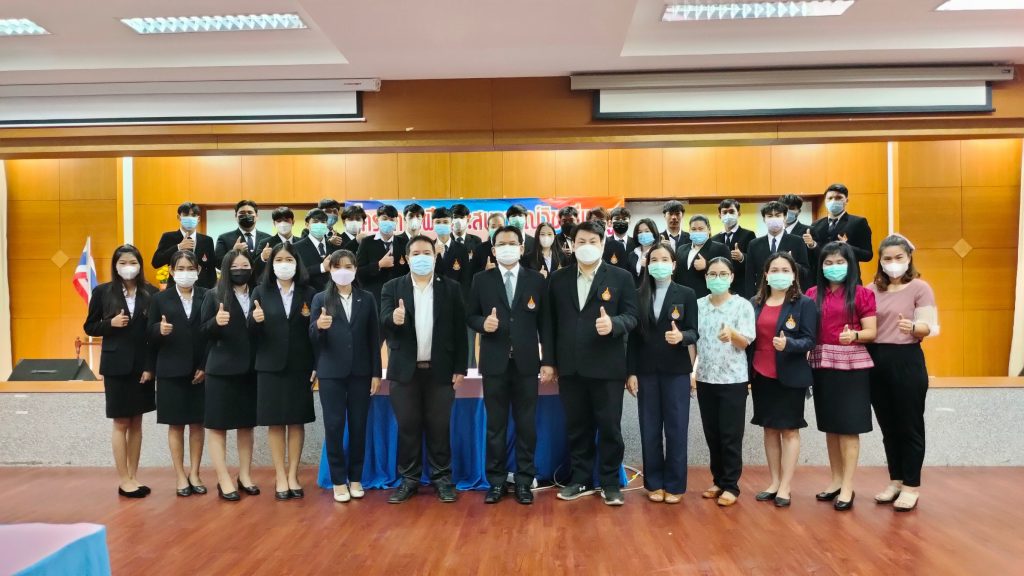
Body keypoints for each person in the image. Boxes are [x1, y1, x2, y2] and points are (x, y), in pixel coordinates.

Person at [547, 220, 639, 506]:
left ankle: (610, 483)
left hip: (607, 366)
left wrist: (614, 324)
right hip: (570, 366)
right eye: (581, 242)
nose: (586, 246)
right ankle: (580, 479)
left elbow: (632, 316)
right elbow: (549, 324)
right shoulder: (558, 279)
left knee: (610, 427)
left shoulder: (621, 277)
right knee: (577, 427)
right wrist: (549, 361)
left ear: (602, 244)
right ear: (571, 245)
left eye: (592, 241)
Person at [467, 226, 554, 505]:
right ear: (493, 250)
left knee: (527, 425)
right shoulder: (481, 280)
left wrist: (548, 361)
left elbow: (546, 324)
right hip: (495, 363)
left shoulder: (536, 280)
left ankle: (524, 480)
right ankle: (496, 481)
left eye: (512, 243)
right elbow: (470, 315)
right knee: (496, 426)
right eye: (501, 244)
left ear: (521, 248)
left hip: (527, 364)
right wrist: (483, 323)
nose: (507, 248)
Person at [380, 235, 468, 503]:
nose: (421, 257)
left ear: (435, 256)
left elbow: (460, 330)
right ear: (407, 258)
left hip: (440, 370)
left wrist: (460, 368)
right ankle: (409, 479)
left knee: (439, 427)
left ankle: (442, 479)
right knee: (408, 426)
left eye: (427, 253)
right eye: (416, 253)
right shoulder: (392, 287)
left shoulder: (450, 288)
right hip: (404, 371)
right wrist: (394, 319)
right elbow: (383, 321)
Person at [867, 234, 937, 512]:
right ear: (880, 261)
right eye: (887, 258)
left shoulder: (920, 287)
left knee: (910, 425)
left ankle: (911, 485)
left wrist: (914, 327)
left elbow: (929, 326)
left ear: (908, 258)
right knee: (888, 427)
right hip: (875, 361)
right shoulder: (871, 289)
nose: (893, 263)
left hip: (906, 359)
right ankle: (895, 480)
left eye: (899, 257)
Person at [806, 242, 877, 512]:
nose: (833, 267)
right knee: (831, 426)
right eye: (828, 263)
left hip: (852, 367)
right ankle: (836, 480)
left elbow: (872, 332)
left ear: (850, 265)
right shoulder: (812, 294)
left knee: (849, 427)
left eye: (839, 262)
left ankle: (848, 485)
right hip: (822, 364)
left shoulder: (862, 294)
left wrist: (855, 335)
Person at [625, 243, 698, 504]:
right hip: (646, 371)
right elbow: (632, 339)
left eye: (664, 259)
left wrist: (682, 337)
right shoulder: (638, 294)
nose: (659, 264)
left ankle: (675, 485)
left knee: (677, 429)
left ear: (674, 264)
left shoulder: (687, 293)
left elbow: (694, 331)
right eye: (654, 259)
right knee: (650, 428)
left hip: (676, 371)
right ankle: (654, 483)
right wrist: (631, 372)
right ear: (647, 264)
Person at [83, 244, 158, 498]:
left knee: (137, 422)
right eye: (123, 262)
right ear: (115, 266)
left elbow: (153, 334)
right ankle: (123, 478)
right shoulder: (103, 292)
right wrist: (110, 324)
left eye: (133, 262)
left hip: (142, 367)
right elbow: (90, 326)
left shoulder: (151, 292)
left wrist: (150, 367)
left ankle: (133, 477)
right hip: (116, 366)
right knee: (121, 421)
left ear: (140, 265)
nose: (128, 267)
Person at [310, 250, 382, 503]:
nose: (343, 271)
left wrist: (376, 372)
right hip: (331, 373)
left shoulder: (367, 298)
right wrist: (319, 327)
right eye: (338, 266)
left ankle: (356, 478)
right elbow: (312, 337)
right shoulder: (320, 299)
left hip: (361, 372)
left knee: (359, 426)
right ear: (330, 270)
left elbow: (374, 337)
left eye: (348, 266)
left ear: (355, 269)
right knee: (334, 426)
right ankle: (338, 480)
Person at [747, 251, 817, 508]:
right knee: (769, 428)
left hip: (790, 374)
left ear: (794, 275)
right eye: (774, 270)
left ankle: (786, 486)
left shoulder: (804, 303)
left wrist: (789, 344)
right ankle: (774, 482)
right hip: (760, 372)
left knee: (789, 429)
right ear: (766, 275)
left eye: (785, 270)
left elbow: (810, 339)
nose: (780, 274)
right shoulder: (754, 302)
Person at [251, 242, 316, 501]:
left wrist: (315, 365)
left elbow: (315, 333)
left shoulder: (309, 292)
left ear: (297, 263)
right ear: (271, 264)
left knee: (297, 421)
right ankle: (280, 475)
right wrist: (254, 321)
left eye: (289, 260)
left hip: (300, 366)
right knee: (276, 422)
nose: (284, 264)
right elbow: (251, 333)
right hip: (270, 366)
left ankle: (293, 475)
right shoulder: (260, 291)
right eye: (279, 260)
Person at [146, 250, 209, 497]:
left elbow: (212, 334)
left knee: (197, 424)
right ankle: (180, 475)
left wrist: (205, 365)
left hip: (200, 370)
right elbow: (148, 334)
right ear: (172, 271)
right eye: (180, 268)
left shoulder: (208, 295)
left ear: (198, 270)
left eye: (190, 268)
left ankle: (195, 473)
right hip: (171, 370)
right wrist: (158, 330)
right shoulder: (160, 299)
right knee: (176, 425)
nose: (185, 273)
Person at [694, 257, 755, 507]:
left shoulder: (742, 306)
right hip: (705, 377)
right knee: (712, 433)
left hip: (733, 379)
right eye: (712, 274)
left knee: (730, 434)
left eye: (722, 274)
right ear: (706, 277)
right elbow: (692, 342)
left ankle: (731, 485)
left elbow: (746, 342)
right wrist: (691, 371)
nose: (717, 278)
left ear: (731, 277)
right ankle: (718, 480)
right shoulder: (698, 305)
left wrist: (732, 334)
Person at [200, 250, 259, 501]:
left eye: (245, 265)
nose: (240, 270)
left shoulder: (258, 294)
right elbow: (202, 331)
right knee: (218, 426)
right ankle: (223, 478)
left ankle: (244, 475)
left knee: (246, 425)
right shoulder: (214, 295)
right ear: (226, 269)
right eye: (235, 266)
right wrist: (216, 322)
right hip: (221, 370)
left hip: (250, 369)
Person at [744, 201, 810, 298]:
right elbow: (749, 276)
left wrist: (792, 264)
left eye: (778, 215)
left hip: (790, 294)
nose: (774, 219)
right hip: (763, 295)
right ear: (764, 219)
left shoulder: (797, 241)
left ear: (785, 217)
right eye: (770, 216)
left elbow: (806, 272)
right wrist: (751, 299)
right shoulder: (754, 244)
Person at [803, 183, 874, 267]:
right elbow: (811, 256)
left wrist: (847, 247)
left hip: (848, 272)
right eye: (830, 198)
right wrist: (811, 245)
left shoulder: (858, 222)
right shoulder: (816, 224)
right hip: (821, 272)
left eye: (838, 198)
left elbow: (867, 255)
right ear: (825, 201)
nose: (833, 201)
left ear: (846, 200)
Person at [152, 202, 216, 288]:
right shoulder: (168, 237)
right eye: (186, 215)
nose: (190, 218)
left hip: (202, 289)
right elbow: (156, 262)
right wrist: (178, 247)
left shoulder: (207, 240)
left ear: (198, 219)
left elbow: (211, 269)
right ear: (179, 217)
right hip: (175, 288)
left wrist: (212, 290)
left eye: (193, 215)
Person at [356, 204, 409, 306]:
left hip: (399, 297)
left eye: (392, 219)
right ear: (377, 220)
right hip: (374, 297)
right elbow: (358, 272)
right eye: (384, 219)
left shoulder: (404, 242)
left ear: (396, 222)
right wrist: (379, 264)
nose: (388, 222)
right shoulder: (367, 242)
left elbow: (409, 271)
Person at [673, 215, 730, 299]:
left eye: (701, 229)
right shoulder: (681, 249)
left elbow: (727, 273)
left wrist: (707, 265)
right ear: (689, 231)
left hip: (708, 298)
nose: (697, 232)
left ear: (709, 229)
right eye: (693, 229)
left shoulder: (720, 248)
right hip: (682, 298)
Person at [711, 199, 756, 297]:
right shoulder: (714, 239)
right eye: (724, 212)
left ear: (738, 213)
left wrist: (742, 257)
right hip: (720, 286)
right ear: (719, 216)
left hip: (741, 287)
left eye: (731, 212)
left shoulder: (748, 235)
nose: (728, 215)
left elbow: (755, 261)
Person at [293, 208, 337, 292]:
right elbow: (296, 273)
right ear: (307, 224)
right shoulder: (296, 247)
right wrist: (321, 267)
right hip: (308, 294)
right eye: (315, 222)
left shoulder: (334, 245)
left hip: (333, 293)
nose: (319, 225)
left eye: (323, 222)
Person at [214, 200, 270, 264]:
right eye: (242, 213)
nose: (246, 215)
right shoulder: (223, 238)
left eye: (250, 212)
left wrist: (264, 258)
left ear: (257, 216)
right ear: (236, 216)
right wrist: (233, 252)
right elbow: (218, 263)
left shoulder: (268, 238)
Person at [432, 206, 471, 296]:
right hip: (433, 297)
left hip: (455, 297)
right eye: (438, 222)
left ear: (452, 224)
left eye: (445, 222)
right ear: (432, 225)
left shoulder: (462, 249)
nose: (442, 225)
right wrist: (433, 255)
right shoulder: (428, 248)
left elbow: (465, 279)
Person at [255, 206, 297, 277]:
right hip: (273, 281)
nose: (283, 224)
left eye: (286, 220)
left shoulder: (302, 242)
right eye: (279, 221)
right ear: (274, 223)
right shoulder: (265, 243)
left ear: (293, 222)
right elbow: (256, 268)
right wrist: (263, 257)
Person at [586, 207, 628, 271]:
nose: (598, 223)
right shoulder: (585, 245)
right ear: (589, 223)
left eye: (601, 220)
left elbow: (622, 271)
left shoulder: (618, 246)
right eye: (594, 220)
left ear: (608, 223)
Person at [626, 218, 660, 287]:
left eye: (647, 231)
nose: (643, 234)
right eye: (640, 232)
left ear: (654, 232)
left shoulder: (658, 252)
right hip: (635, 290)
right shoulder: (633, 254)